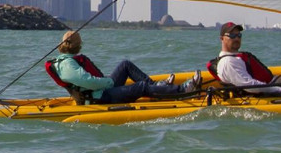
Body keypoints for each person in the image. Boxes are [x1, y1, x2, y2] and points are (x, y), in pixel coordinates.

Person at [49, 30, 199, 105]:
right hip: (98, 98)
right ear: (77, 46)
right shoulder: (66, 64)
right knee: (140, 87)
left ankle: (157, 86)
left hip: (100, 91)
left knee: (125, 65)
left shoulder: (68, 60)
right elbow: (88, 82)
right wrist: (108, 82)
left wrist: (107, 82)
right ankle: (182, 91)